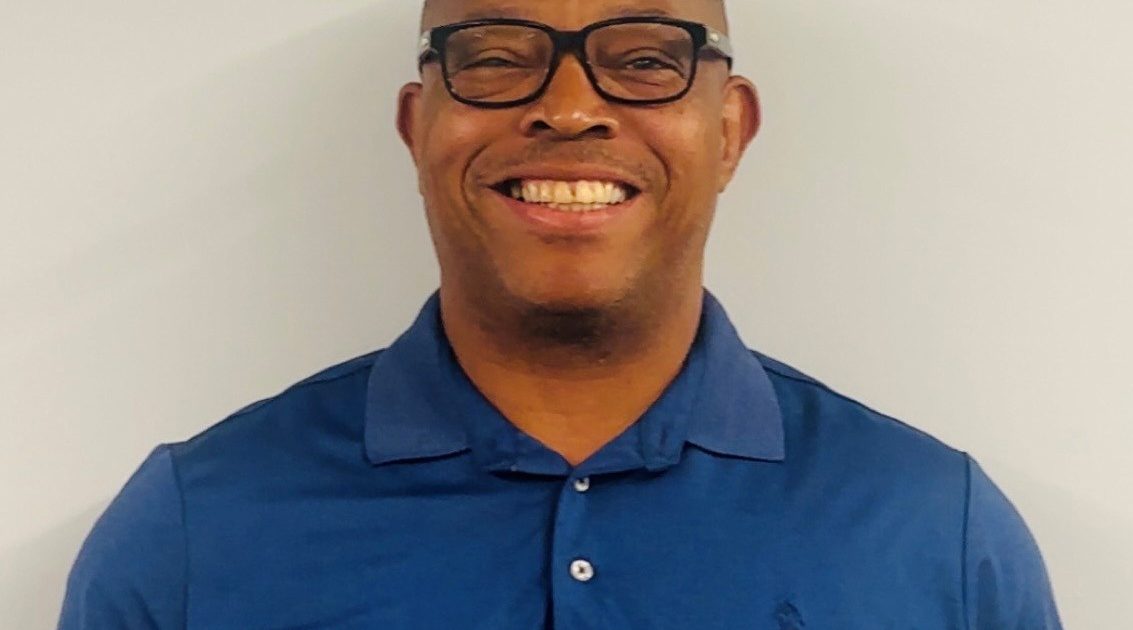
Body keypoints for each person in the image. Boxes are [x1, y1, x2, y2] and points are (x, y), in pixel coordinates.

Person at [59, 0, 1062, 628]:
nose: (571, 107)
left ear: (728, 131)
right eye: (495, 57)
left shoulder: (932, 530)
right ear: (417, 127)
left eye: (645, 58)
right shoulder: (194, 530)